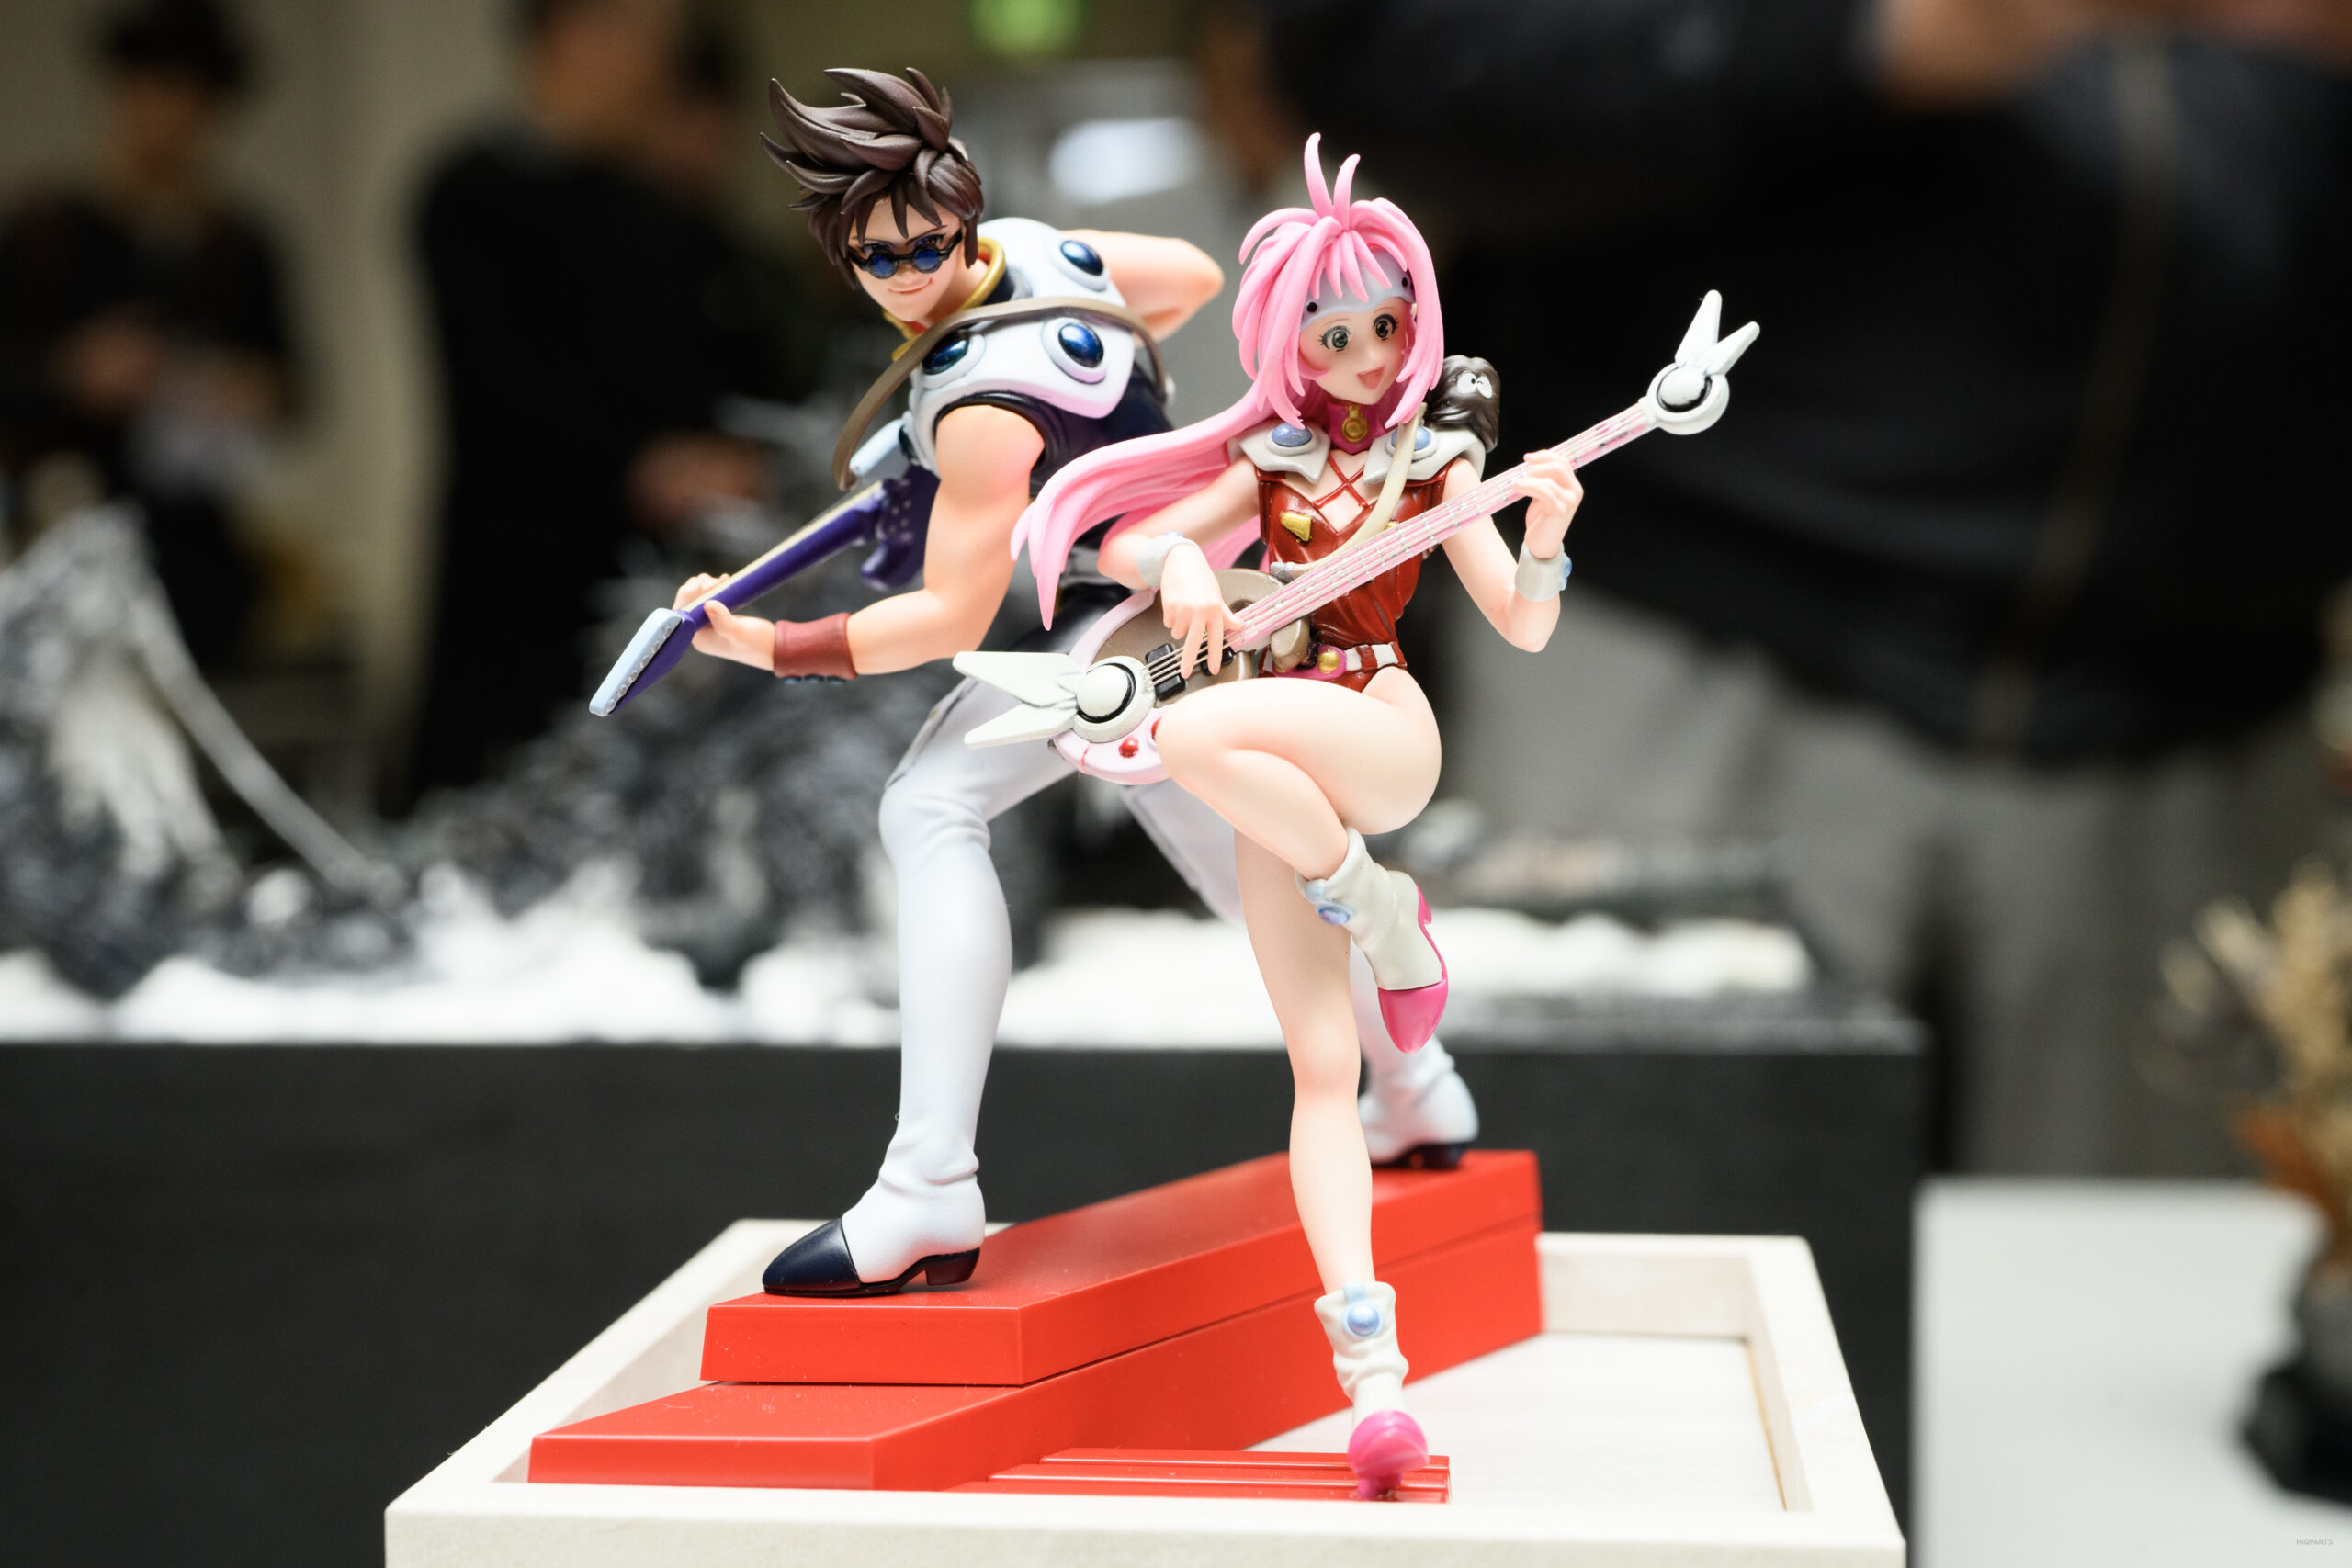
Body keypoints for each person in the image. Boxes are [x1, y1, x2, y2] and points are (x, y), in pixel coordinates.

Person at [1257, 0, 2352, 1174]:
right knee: (1616, 1207)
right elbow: (1374, 50)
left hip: (2199, 716)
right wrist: (1848, 34)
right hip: (1697, 636)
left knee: (2154, 1271)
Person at [671, 73, 1487, 1303]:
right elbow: (1187, 279)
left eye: (925, 247)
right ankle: (1420, 1086)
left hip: (1117, 626)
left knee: (928, 804)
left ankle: (929, 1183)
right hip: (1183, 602)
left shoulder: (978, 416)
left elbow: (943, 622)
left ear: (958, 216)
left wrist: (776, 647)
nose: (906, 273)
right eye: (878, 256)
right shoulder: (1044, 254)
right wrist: (1073, 361)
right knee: (1248, 872)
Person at [1012, 137, 1584, 1498]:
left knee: (1188, 731)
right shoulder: (1269, 458)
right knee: (1323, 1070)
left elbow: (1521, 624)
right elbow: (1126, 541)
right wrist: (1179, 568)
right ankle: (1372, 1383)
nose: (1367, 354)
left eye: (1387, 325)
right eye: (1334, 334)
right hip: (1274, 769)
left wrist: (1545, 531)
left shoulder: (1436, 466)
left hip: (1375, 723)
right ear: (1287, 344)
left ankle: (1385, 910)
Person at [409, 0, 798, 797]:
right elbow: (504, 380)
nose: (658, 57)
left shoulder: (664, 214)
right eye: (644, 30)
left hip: (662, 585)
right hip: (522, 592)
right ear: (575, 33)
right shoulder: (473, 195)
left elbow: (742, 382)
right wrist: (647, 460)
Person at [0, 0, 292, 668]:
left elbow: (293, 384)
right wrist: (71, 371)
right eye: (152, 90)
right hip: (64, 547)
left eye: (190, 97)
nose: (169, 117)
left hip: (196, 560)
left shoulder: (237, 246)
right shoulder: (46, 233)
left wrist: (245, 388)